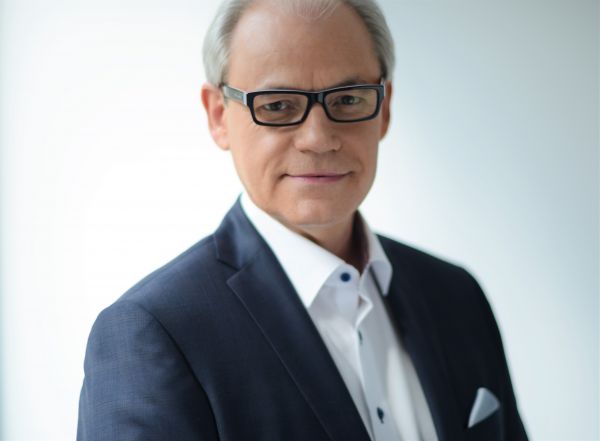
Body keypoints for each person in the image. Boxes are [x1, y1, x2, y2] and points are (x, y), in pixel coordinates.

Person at [77, 0, 529, 439]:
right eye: (277, 105)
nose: (318, 138)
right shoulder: (153, 333)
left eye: (348, 98)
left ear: (385, 108)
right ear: (218, 116)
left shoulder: (456, 296)